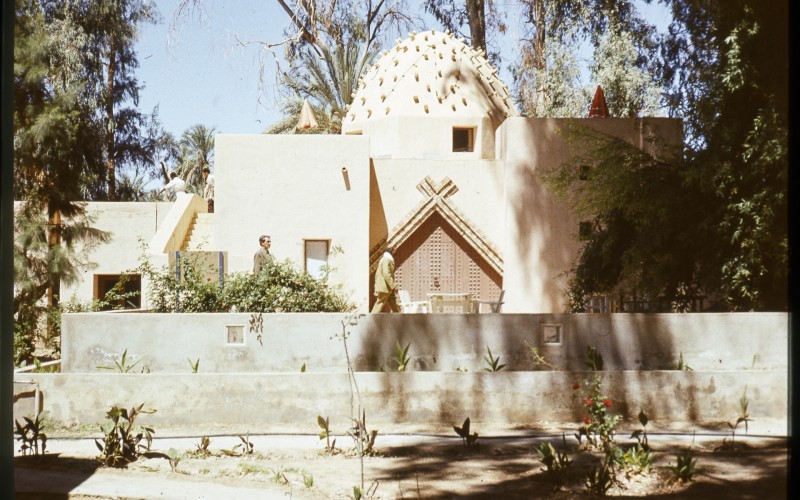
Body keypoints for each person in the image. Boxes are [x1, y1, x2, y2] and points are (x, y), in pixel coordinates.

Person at [372, 246, 399, 313]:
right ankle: (371, 319)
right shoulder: (386, 260)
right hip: (385, 288)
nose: (395, 252)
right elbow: (386, 274)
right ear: (391, 251)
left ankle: (400, 319)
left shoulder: (385, 259)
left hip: (388, 288)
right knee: (379, 304)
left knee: (395, 306)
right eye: (394, 251)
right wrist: (393, 285)